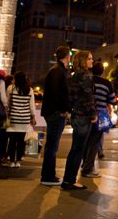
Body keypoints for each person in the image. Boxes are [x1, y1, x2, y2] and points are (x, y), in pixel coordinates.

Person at [61, 50, 97, 190]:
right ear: (83, 61)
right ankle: (70, 181)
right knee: (79, 150)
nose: (92, 61)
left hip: (75, 115)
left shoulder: (73, 76)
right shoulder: (87, 76)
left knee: (74, 149)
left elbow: (70, 97)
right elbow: (88, 97)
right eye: (89, 58)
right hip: (83, 116)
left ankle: (67, 179)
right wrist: (93, 114)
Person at [40, 46, 74, 186]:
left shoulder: (58, 70)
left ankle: (48, 175)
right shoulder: (57, 71)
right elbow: (56, 94)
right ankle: (48, 176)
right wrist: (63, 110)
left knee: (52, 146)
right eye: (70, 55)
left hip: (54, 112)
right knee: (52, 146)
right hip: (55, 113)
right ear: (67, 56)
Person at [81, 62, 117, 178]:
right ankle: (88, 169)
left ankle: (84, 164)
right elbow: (112, 100)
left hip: (87, 113)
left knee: (86, 140)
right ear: (102, 72)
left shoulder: (88, 80)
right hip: (101, 115)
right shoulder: (107, 83)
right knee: (95, 142)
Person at [6, 71, 36, 167]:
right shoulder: (29, 90)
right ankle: (18, 161)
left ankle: (11, 161)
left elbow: (7, 103)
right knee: (21, 142)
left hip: (13, 119)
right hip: (24, 120)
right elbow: (31, 106)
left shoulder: (11, 88)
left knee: (12, 141)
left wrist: (7, 114)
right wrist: (33, 117)